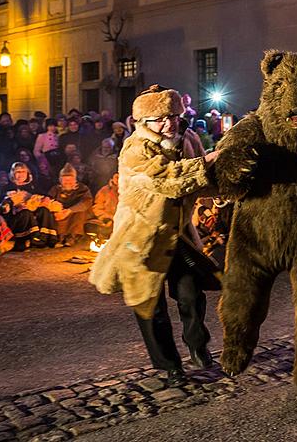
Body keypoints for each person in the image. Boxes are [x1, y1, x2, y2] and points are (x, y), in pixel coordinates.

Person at [90, 85, 223, 386]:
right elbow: (171, 180)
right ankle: (169, 365)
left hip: (179, 233)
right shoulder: (135, 148)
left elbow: (201, 182)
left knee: (191, 293)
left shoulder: (188, 138)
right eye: (160, 118)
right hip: (141, 235)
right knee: (150, 304)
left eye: (173, 115)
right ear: (143, 122)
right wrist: (213, 158)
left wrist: (228, 187)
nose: (169, 123)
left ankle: (197, 343)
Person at [0, 161, 58, 250]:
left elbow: (45, 194)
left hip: (32, 211)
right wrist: (10, 206)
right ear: (13, 174)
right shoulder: (7, 187)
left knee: (44, 210)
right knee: (26, 212)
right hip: (16, 217)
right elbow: (1, 205)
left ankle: (45, 239)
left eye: (23, 172)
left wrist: (46, 198)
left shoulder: (32, 186)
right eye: (18, 172)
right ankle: (25, 239)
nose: (21, 175)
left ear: (27, 173)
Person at [48, 163, 93, 247]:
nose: (68, 182)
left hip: (74, 213)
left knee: (80, 213)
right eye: (65, 179)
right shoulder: (55, 189)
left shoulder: (82, 188)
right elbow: (49, 201)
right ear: (60, 180)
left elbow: (86, 202)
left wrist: (70, 210)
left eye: (70, 179)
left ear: (75, 179)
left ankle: (72, 237)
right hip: (60, 213)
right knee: (52, 216)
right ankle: (60, 237)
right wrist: (56, 210)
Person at [86, 172, 119, 243]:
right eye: (116, 177)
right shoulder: (104, 191)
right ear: (112, 178)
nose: (118, 180)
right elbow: (97, 207)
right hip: (107, 218)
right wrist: (105, 217)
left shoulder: (128, 192)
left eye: (120, 177)